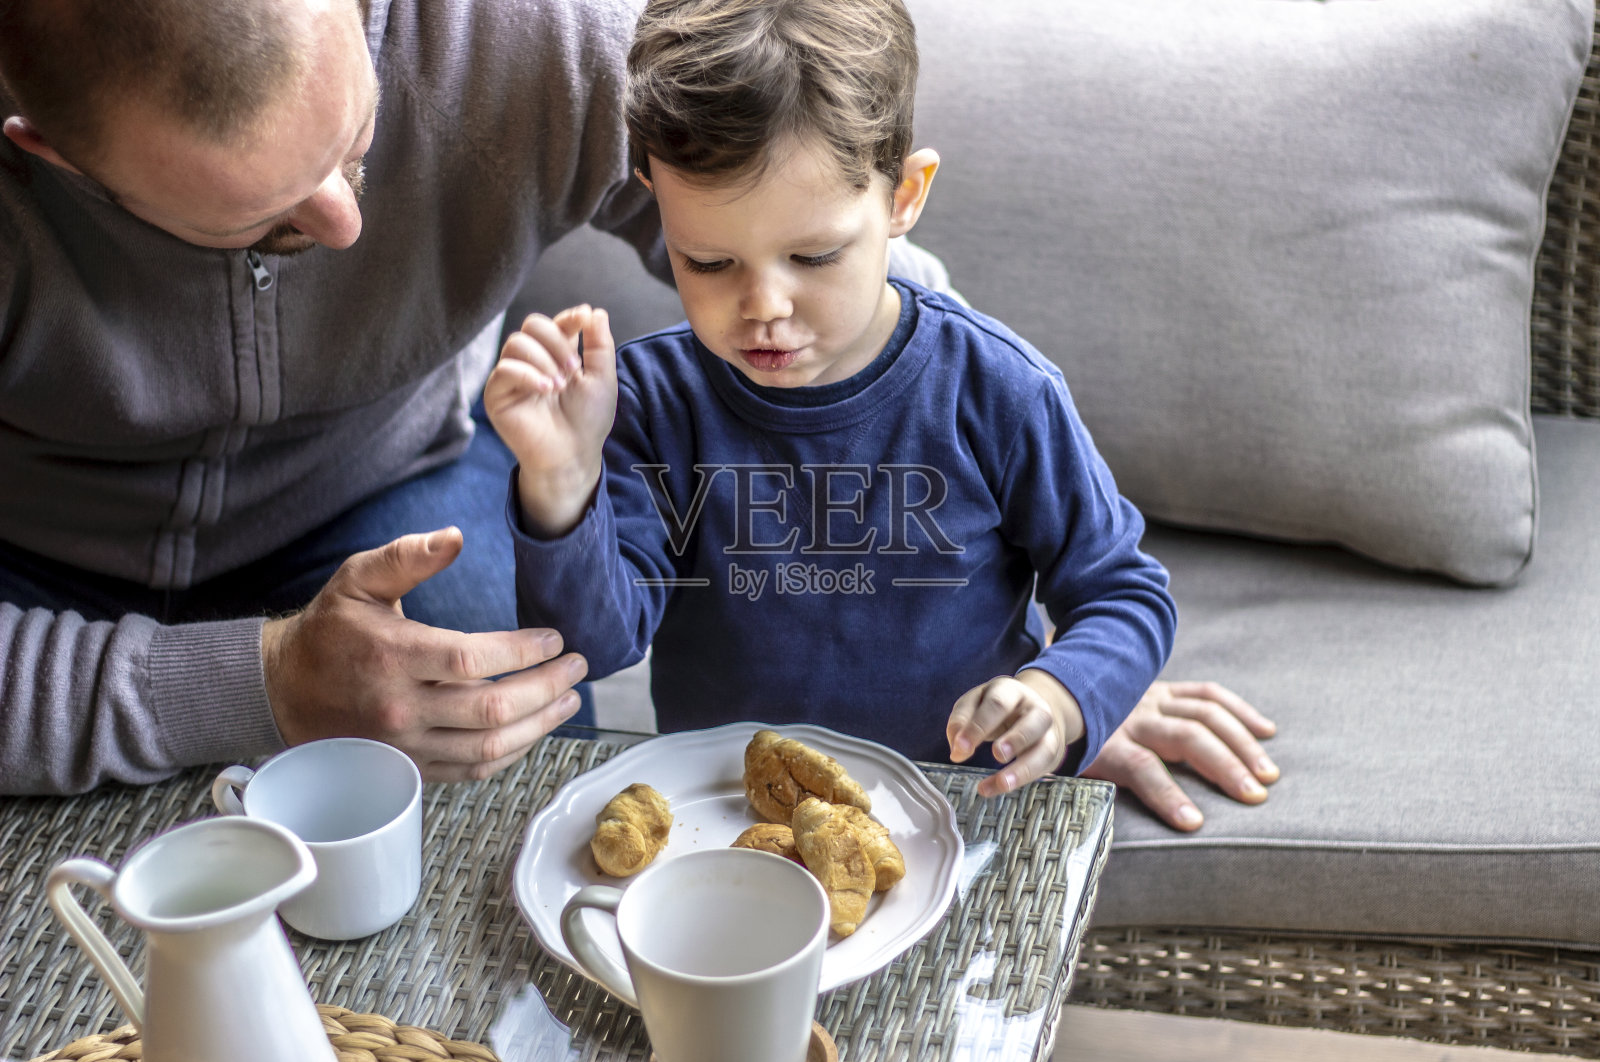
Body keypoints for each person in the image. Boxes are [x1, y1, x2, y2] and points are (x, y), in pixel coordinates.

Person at [0, 0, 1275, 819]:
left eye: (359, 143)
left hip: (379, 497)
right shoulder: (660, 402)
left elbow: (829, 248)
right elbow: (615, 617)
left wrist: (1073, 679)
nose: (347, 230)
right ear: (44, 151)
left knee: (493, 687)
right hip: (40, 565)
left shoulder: (527, 46)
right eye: (262, 220)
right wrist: (257, 676)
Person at [489, 0, 1196, 796]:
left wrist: (1059, 696)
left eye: (814, 255)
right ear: (656, 198)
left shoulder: (1000, 389)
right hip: (731, 815)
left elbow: (1123, 591)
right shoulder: (651, 406)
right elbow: (595, 648)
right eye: (708, 263)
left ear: (903, 197)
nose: (764, 307)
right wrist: (561, 481)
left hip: (955, 803)